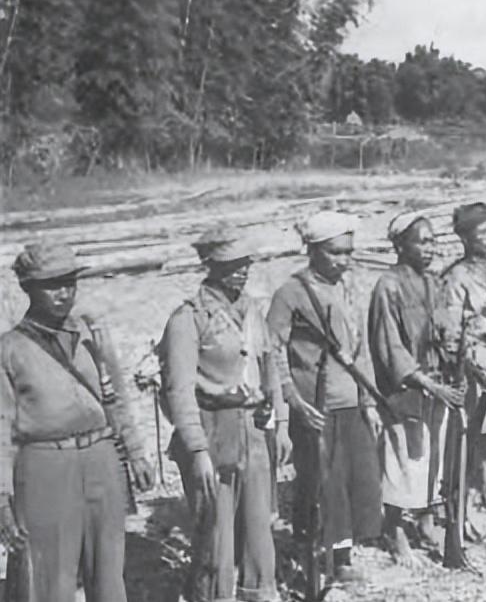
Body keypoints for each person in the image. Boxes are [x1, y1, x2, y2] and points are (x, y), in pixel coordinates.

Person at [0, 242, 153, 602]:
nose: (64, 293)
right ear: (28, 288)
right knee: (47, 575)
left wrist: (135, 453)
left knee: (109, 569)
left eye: (70, 282)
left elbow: (115, 398)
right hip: (44, 466)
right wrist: (2, 501)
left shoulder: (91, 334)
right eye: (52, 285)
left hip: (101, 458)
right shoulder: (10, 350)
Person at [157, 227, 289, 602]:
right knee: (216, 535)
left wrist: (280, 423)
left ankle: (258, 593)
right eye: (230, 265)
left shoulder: (251, 311)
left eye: (245, 263)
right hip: (212, 426)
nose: (241, 271)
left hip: (252, 425)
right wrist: (197, 451)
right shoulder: (189, 318)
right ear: (211, 267)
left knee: (259, 527)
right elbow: (179, 390)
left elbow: (271, 367)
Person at [265, 211, 382, 584]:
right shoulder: (290, 293)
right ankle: (309, 552)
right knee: (318, 482)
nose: (343, 260)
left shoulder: (348, 288)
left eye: (348, 252)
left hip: (351, 401)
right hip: (314, 406)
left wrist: (369, 401)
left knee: (353, 480)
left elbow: (359, 349)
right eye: (334, 252)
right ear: (313, 250)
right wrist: (292, 401)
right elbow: (273, 351)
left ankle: (342, 555)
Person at [368, 211, 464, 565]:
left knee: (432, 459)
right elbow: (389, 345)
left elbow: (446, 331)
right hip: (406, 389)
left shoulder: (435, 284)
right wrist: (423, 381)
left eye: (433, 241)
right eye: (421, 241)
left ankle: (425, 521)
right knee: (402, 458)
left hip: (438, 382)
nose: (430, 248)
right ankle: (393, 531)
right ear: (400, 245)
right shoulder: (387, 286)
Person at [440, 203, 486, 512]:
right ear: (467, 238)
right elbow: (451, 332)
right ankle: (464, 493)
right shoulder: (455, 277)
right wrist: (471, 369)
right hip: (471, 362)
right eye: (483, 232)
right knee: (472, 429)